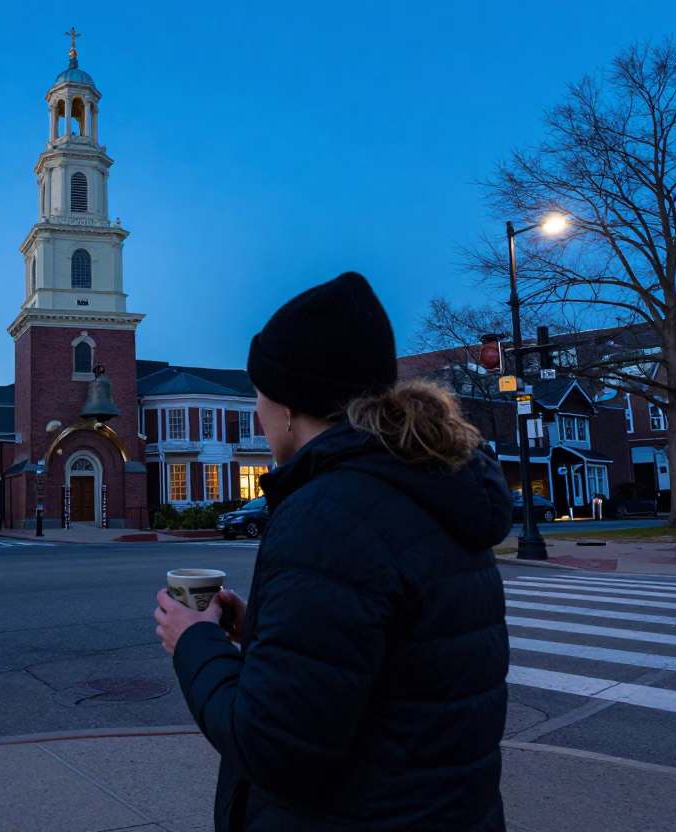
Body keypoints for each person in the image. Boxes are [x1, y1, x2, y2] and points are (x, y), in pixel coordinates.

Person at [154, 272, 511, 831]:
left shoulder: (328, 515)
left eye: (259, 395)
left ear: (291, 406)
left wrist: (194, 643)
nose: (257, 414)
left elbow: (274, 747)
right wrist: (264, 632)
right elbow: (401, 664)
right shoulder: (428, 488)